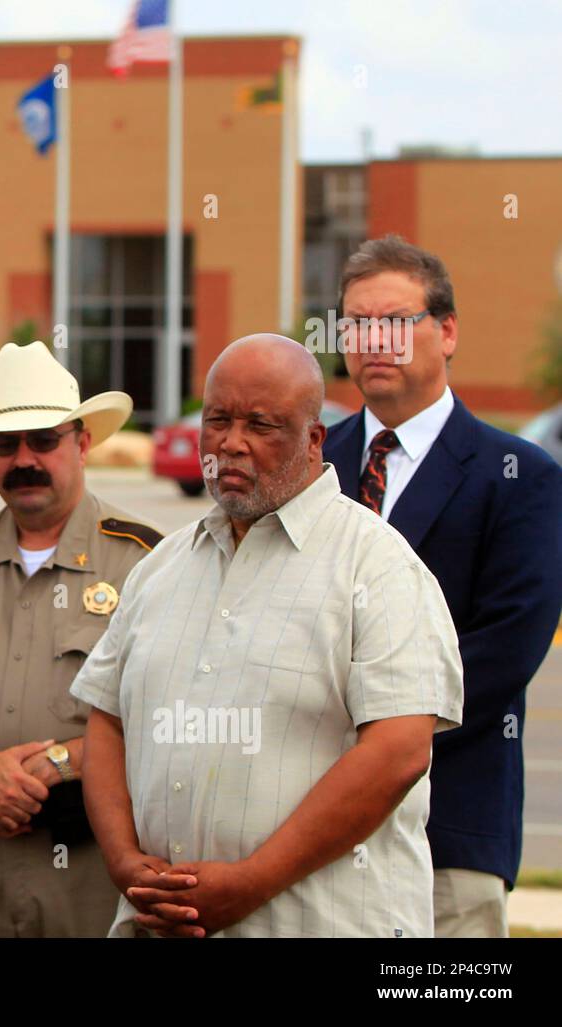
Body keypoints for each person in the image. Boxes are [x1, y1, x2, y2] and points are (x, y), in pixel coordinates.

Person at [73, 334, 463, 938]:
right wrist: (127, 864)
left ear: (313, 440)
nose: (231, 443)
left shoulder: (379, 568)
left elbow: (399, 752)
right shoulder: (161, 568)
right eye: (218, 420)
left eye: (261, 424)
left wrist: (254, 880)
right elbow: (106, 720)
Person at [324, 235, 562, 936]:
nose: (375, 341)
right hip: (296, 828)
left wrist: (371, 744)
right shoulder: (308, 463)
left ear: (447, 330)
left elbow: (501, 655)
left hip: (448, 833)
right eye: (358, 324)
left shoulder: (520, 478)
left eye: (396, 321)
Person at [0, 341, 161, 937]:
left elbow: (171, 716)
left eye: (43, 440)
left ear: (82, 442)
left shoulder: (148, 564)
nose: (24, 459)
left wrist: (62, 762)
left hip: (92, 866)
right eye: (5, 444)